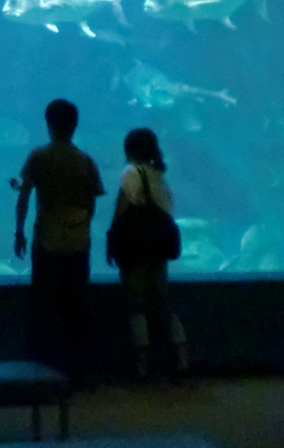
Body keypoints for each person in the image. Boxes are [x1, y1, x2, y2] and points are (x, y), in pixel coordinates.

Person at [13, 99, 105, 380]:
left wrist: (19, 232)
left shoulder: (39, 156)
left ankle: (41, 371)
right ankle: (80, 372)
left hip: (47, 241)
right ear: (75, 126)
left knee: (44, 306)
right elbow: (91, 203)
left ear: (48, 124)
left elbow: (24, 195)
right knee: (76, 307)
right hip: (78, 243)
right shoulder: (85, 160)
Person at [109, 128, 188, 379]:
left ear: (129, 150)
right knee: (163, 303)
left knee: (137, 305)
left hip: (136, 250)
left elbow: (121, 211)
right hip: (158, 250)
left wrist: (112, 241)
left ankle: (141, 364)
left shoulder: (132, 173)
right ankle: (182, 357)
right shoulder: (159, 177)